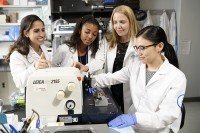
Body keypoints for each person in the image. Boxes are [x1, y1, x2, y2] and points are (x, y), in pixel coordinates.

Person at [94, 26, 186, 132]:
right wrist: (88, 79)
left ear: (159, 46)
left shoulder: (177, 77)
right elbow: (113, 77)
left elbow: (165, 116)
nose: (138, 53)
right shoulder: (136, 66)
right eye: (136, 48)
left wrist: (135, 118)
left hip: (158, 129)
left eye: (142, 48)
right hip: (134, 127)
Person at [103, 5, 139, 113]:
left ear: (131, 22)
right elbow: (104, 67)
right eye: (115, 22)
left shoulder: (139, 43)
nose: (118, 26)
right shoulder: (109, 42)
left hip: (131, 94)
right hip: (112, 90)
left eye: (122, 22)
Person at [6, 14, 50, 93]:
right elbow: (19, 83)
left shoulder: (43, 48)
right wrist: (34, 67)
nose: (42, 34)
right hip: (31, 96)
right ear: (26, 33)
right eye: (36, 31)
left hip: (46, 92)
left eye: (43, 30)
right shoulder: (17, 55)